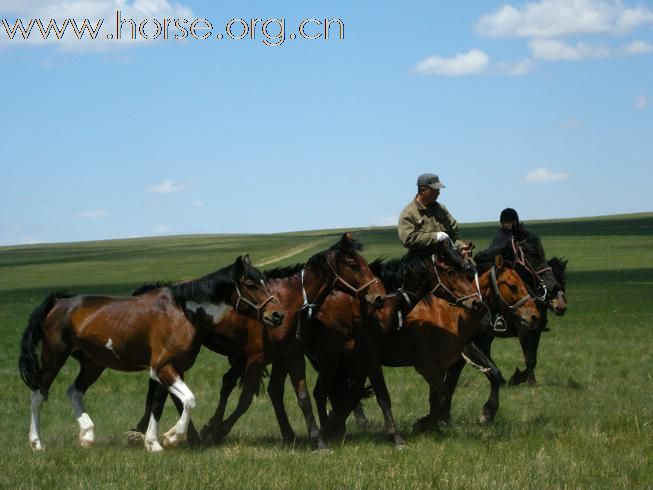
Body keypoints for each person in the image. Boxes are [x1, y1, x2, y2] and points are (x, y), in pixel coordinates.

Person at [397, 173, 468, 253]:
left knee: (470, 264)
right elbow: (408, 239)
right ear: (423, 190)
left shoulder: (441, 209)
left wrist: (461, 247)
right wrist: (436, 237)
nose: (438, 193)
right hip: (421, 260)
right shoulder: (408, 213)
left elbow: (453, 237)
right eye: (435, 190)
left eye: (438, 190)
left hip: (446, 256)